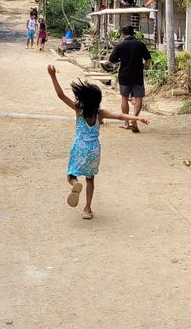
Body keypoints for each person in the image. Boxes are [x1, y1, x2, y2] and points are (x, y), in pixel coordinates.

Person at [47, 65, 148, 219]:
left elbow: (61, 95)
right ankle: (87, 209)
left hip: (80, 147)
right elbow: (121, 116)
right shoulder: (100, 114)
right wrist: (138, 118)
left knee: (71, 175)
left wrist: (52, 75)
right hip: (94, 150)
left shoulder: (78, 110)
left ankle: (75, 185)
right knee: (90, 179)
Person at [108, 26, 151, 133]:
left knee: (124, 98)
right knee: (138, 99)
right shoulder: (140, 44)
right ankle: (134, 119)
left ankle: (127, 123)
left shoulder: (120, 45)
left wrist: (118, 62)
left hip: (124, 76)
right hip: (137, 76)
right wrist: (145, 66)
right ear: (133, 33)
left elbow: (111, 60)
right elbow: (148, 59)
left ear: (123, 34)